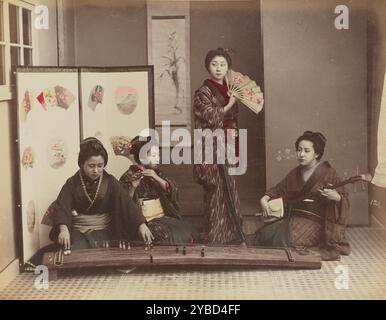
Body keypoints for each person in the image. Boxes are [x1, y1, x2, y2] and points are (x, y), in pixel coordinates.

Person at [26, 137, 152, 269]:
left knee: (107, 250)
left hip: (104, 230)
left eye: (100, 166)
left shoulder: (110, 182)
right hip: (78, 230)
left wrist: (141, 224)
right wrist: (63, 229)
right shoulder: (72, 183)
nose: (96, 170)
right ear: (82, 164)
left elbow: (126, 203)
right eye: (91, 166)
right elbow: (62, 206)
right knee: (73, 250)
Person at [254, 131, 351, 260]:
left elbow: (345, 201)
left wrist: (336, 197)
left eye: (306, 151)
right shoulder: (295, 173)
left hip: (317, 224)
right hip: (295, 219)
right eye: (299, 150)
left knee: (285, 239)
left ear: (316, 153)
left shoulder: (329, 173)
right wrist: (264, 198)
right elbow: (279, 189)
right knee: (264, 234)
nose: (301, 154)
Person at [193, 47, 243, 244]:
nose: (218, 68)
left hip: (228, 143)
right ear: (208, 67)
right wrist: (229, 105)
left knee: (229, 188)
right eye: (214, 64)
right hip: (210, 148)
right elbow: (209, 116)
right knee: (216, 191)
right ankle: (215, 237)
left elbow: (232, 120)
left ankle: (233, 234)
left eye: (223, 64)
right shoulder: (203, 92)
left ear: (228, 67)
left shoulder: (230, 88)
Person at [119, 136, 201, 245]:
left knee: (190, 230)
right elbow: (124, 204)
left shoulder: (157, 174)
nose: (157, 158)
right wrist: (133, 187)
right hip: (142, 221)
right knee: (167, 235)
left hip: (161, 217)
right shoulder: (128, 177)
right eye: (153, 155)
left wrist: (158, 179)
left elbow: (173, 189)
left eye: (158, 155)